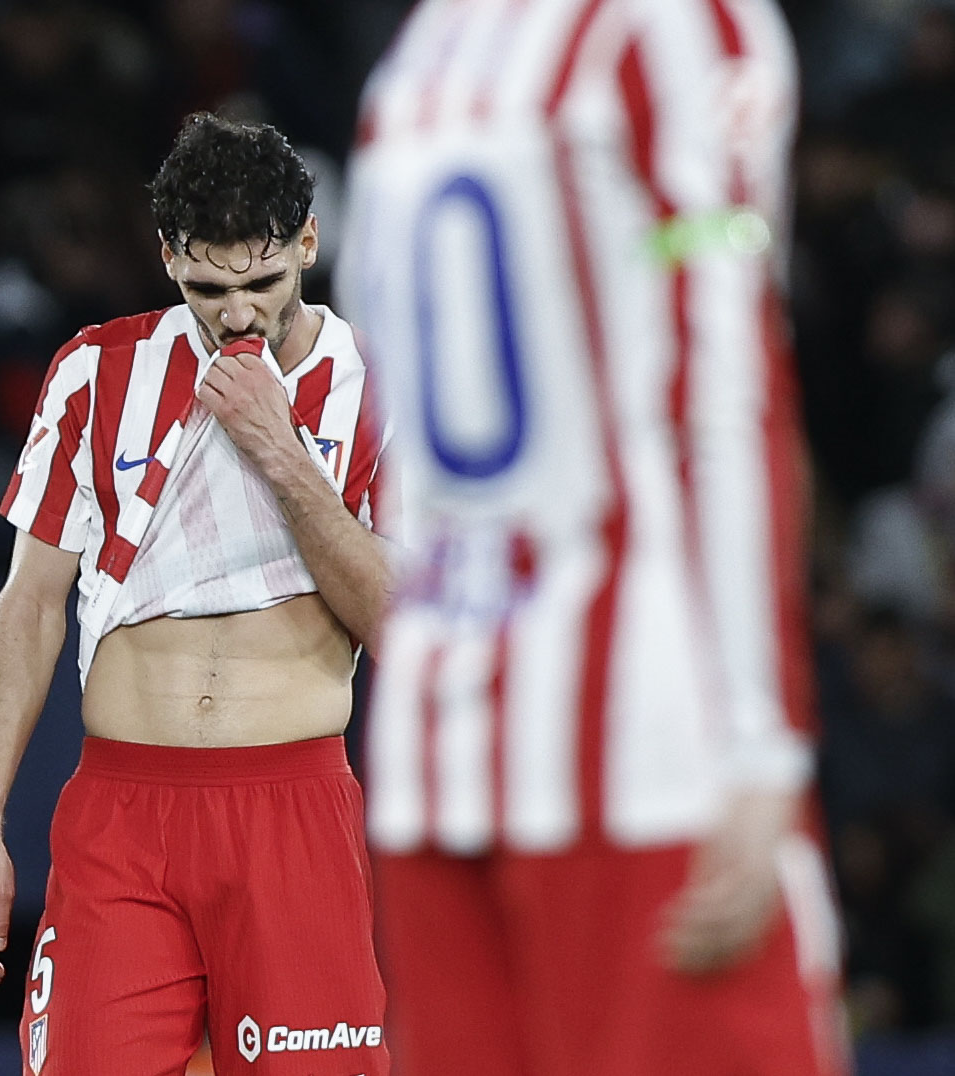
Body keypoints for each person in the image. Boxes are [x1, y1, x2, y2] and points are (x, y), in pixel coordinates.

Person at [340, 3, 846, 1075]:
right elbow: (720, 385)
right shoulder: (673, 28)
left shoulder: (426, 47)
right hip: (642, 752)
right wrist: (760, 738)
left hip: (433, 745)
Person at [0, 112, 393, 1075]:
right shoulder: (94, 373)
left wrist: (284, 455)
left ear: (309, 242)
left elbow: (406, 626)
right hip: (122, 814)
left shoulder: (379, 390)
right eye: (206, 289)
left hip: (292, 813)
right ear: (166, 258)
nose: (237, 316)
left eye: (263, 284)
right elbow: (26, 608)